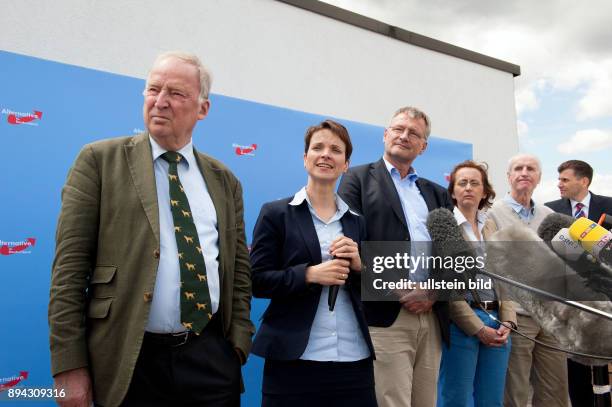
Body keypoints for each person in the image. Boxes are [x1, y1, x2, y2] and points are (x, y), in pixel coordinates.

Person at [48, 51, 255, 407]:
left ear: (203, 108)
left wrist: (236, 343)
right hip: (129, 361)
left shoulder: (225, 181)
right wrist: (69, 367)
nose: (160, 102)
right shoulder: (99, 162)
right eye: (153, 90)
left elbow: (238, 273)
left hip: (210, 361)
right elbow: (69, 272)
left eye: (176, 93)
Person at [250, 119, 376, 407]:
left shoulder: (357, 222)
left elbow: (372, 290)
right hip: (294, 362)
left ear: (345, 164)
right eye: (317, 147)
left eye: (336, 149)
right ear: (305, 158)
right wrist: (308, 274)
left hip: (353, 361)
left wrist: (359, 265)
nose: (326, 154)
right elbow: (256, 280)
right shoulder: (276, 213)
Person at [338, 106, 453, 407]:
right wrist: (398, 288)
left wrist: (433, 291)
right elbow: (352, 245)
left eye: (413, 133)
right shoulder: (357, 179)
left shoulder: (438, 193)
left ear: (423, 146)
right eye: (398, 129)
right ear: (386, 134)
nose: (404, 136)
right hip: (386, 314)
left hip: (431, 314)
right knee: (391, 401)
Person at [483, 153, 568, 407]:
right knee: (515, 391)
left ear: (538, 178)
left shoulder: (549, 215)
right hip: (518, 317)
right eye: (517, 168)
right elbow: (491, 266)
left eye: (530, 169)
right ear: (508, 177)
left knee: (556, 391)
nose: (524, 172)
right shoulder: (492, 214)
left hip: (551, 317)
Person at [437, 160, 516, 407]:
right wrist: (477, 328)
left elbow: (505, 276)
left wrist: (509, 320)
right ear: (452, 191)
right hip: (461, 323)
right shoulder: (443, 227)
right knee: (456, 399)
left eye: (475, 183)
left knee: (492, 400)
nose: (468, 187)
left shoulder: (490, 225)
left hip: (498, 322)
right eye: (462, 183)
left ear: (485, 191)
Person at [545, 159, 612, 407]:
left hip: (606, 302)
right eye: (559, 179)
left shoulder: (609, 205)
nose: (559, 184)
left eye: (565, 179)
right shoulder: (549, 210)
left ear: (583, 181)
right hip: (569, 303)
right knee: (576, 371)